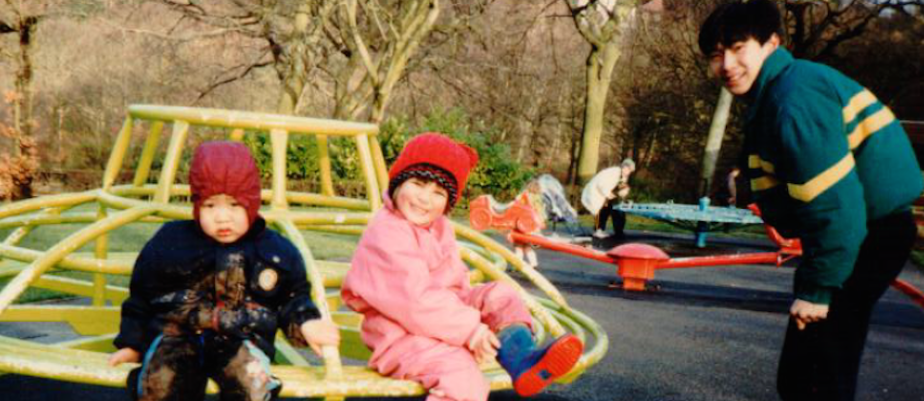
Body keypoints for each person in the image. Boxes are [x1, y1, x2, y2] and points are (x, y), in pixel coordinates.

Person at [699, 0, 923, 401]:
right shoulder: (782, 90)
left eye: (737, 49)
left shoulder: (792, 100)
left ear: (771, 44)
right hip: (863, 232)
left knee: (816, 371)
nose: (727, 65)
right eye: (716, 55)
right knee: (810, 370)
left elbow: (836, 208)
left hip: (866, 234)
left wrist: (817, 291)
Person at [341, 132, 584, 401]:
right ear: (398, 182)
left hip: (439, 317)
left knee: (499, 295)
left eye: (438, 192)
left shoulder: (437, 226)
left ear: (448, 202)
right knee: (463, 377)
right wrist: (471, 330)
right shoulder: (387, 232)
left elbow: (454, 284)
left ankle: (521, 359)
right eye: (418, 184)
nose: (425, 198)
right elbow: (415, 301)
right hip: (401, 336)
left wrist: (476, 312)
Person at [109, 141, 340, 401]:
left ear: (252, 201)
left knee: (251, 385)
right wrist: (132, 344)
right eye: (210, 205)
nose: (222, 217)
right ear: (196, 203)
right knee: (160, 383)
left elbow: (292, 297)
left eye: (233, 204)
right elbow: (142, 296)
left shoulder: (275, 251)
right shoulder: (170, 242)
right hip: (176, 336)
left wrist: (305, 323)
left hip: (243, 339)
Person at [580, 158, 635, 239]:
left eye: (630, 171)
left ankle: (618, 231)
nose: (629, 173)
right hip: (596, 193)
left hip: (604, 194)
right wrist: (609, 194)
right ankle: (598, 230)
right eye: (629, 170)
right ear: (625, 167)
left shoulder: (622, 175)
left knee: (615, 208)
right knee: (602, 210)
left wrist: (624, 191)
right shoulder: (613, 172)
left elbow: (621, 187)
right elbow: (601, 184)